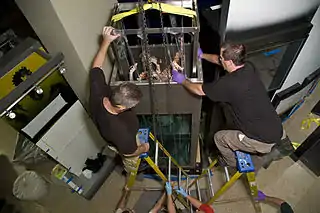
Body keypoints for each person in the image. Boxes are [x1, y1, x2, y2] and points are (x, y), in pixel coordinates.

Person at [172, 43, 283, 168]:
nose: (219, 59)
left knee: (220, 138)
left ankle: (230, 163)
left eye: (221, 57)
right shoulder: (248, 67)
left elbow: (199, 90)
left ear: (230, 62)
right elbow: (219, 61)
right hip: (275, 127)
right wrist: (202, 55)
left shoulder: (229, 84)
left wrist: (182, 80)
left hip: (262, 140)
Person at [90, 26, 149, 173]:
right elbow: (129, 152)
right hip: (127, 145)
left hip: (127, 133)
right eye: (131, 106)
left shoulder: (99, 92)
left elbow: (96, 67)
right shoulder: (120, 132)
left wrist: (106, 41)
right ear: (121, 108)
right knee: (132, 160)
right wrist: (142, 148)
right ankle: (132, 169)